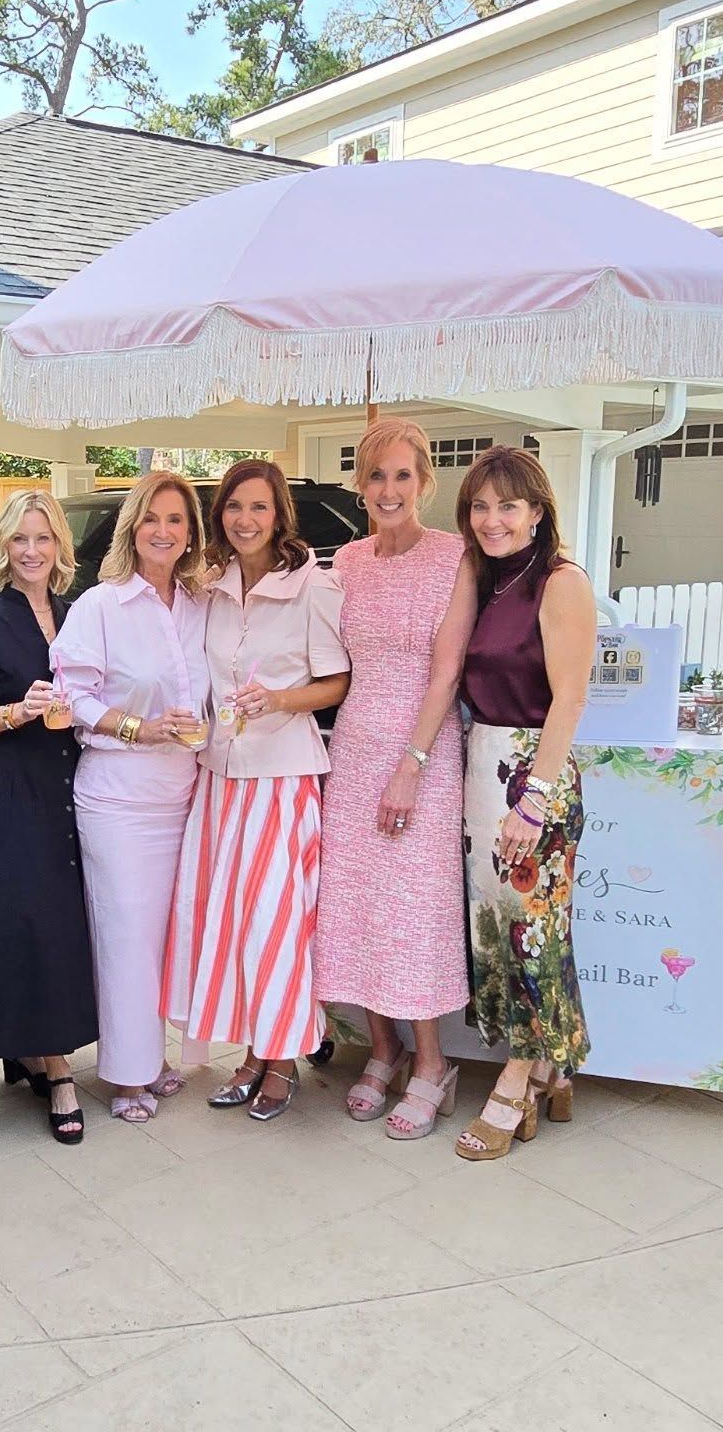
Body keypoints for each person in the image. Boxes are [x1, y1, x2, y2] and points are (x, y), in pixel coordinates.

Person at [162, 460, 350, 1121]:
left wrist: (279, 699)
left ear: (279, 517)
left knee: (277, 925)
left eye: (259, 508)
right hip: (218, 780)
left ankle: (282, 1059)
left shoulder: (312, 587)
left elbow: (336, 682)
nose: (245, 519)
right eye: (235, 506)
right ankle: (250, 1052)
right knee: (236, 927)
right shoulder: (209, 586)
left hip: (282, 779)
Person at [314, 418, 479, 1140]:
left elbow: (447, 672)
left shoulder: (455, 556)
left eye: (402, 475)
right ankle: (380, 1050)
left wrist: (411, 765)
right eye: (376, 476)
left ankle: (432, 1065)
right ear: (360, 485)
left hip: (424, 751)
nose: (388, 489)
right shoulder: (345, 561)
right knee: (356, 905)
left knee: (415, 911)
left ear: (424, 483)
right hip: (352, 750)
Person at [52, 472, 210, 1124]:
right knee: (125, 934)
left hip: (184, 793)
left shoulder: (202, 605)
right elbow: (72, 696)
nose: (164, 531)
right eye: (152, 519)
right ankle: (126, 1072)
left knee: (165, 935)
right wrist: (136, 727)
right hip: (117, 798)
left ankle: (153, 1054)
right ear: (132, 527)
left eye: (176, 520)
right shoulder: (102, 605)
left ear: (191, 532)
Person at [0, 489, 98, 1146]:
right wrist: (15, 712)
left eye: (42, 538)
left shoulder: (80, 613)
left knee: (62, 924)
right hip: (8, 788)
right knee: (26, 922)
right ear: (3, 549)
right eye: (18, 540)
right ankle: (57, 1070)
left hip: (72, 782)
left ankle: (30, 1050)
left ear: (60, 544)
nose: (31, 551)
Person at [455, 444, 595, 1160]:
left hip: (533, 775)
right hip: (484, 769)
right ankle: (552, 1068)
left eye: (507, 505)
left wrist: (534, 800)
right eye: (480, 506)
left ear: (538, 512)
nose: (492, 519)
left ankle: (515, 1081)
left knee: (531, 937)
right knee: (501, 938)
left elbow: (570, 696)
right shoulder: (487, 582)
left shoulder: (560, 582)